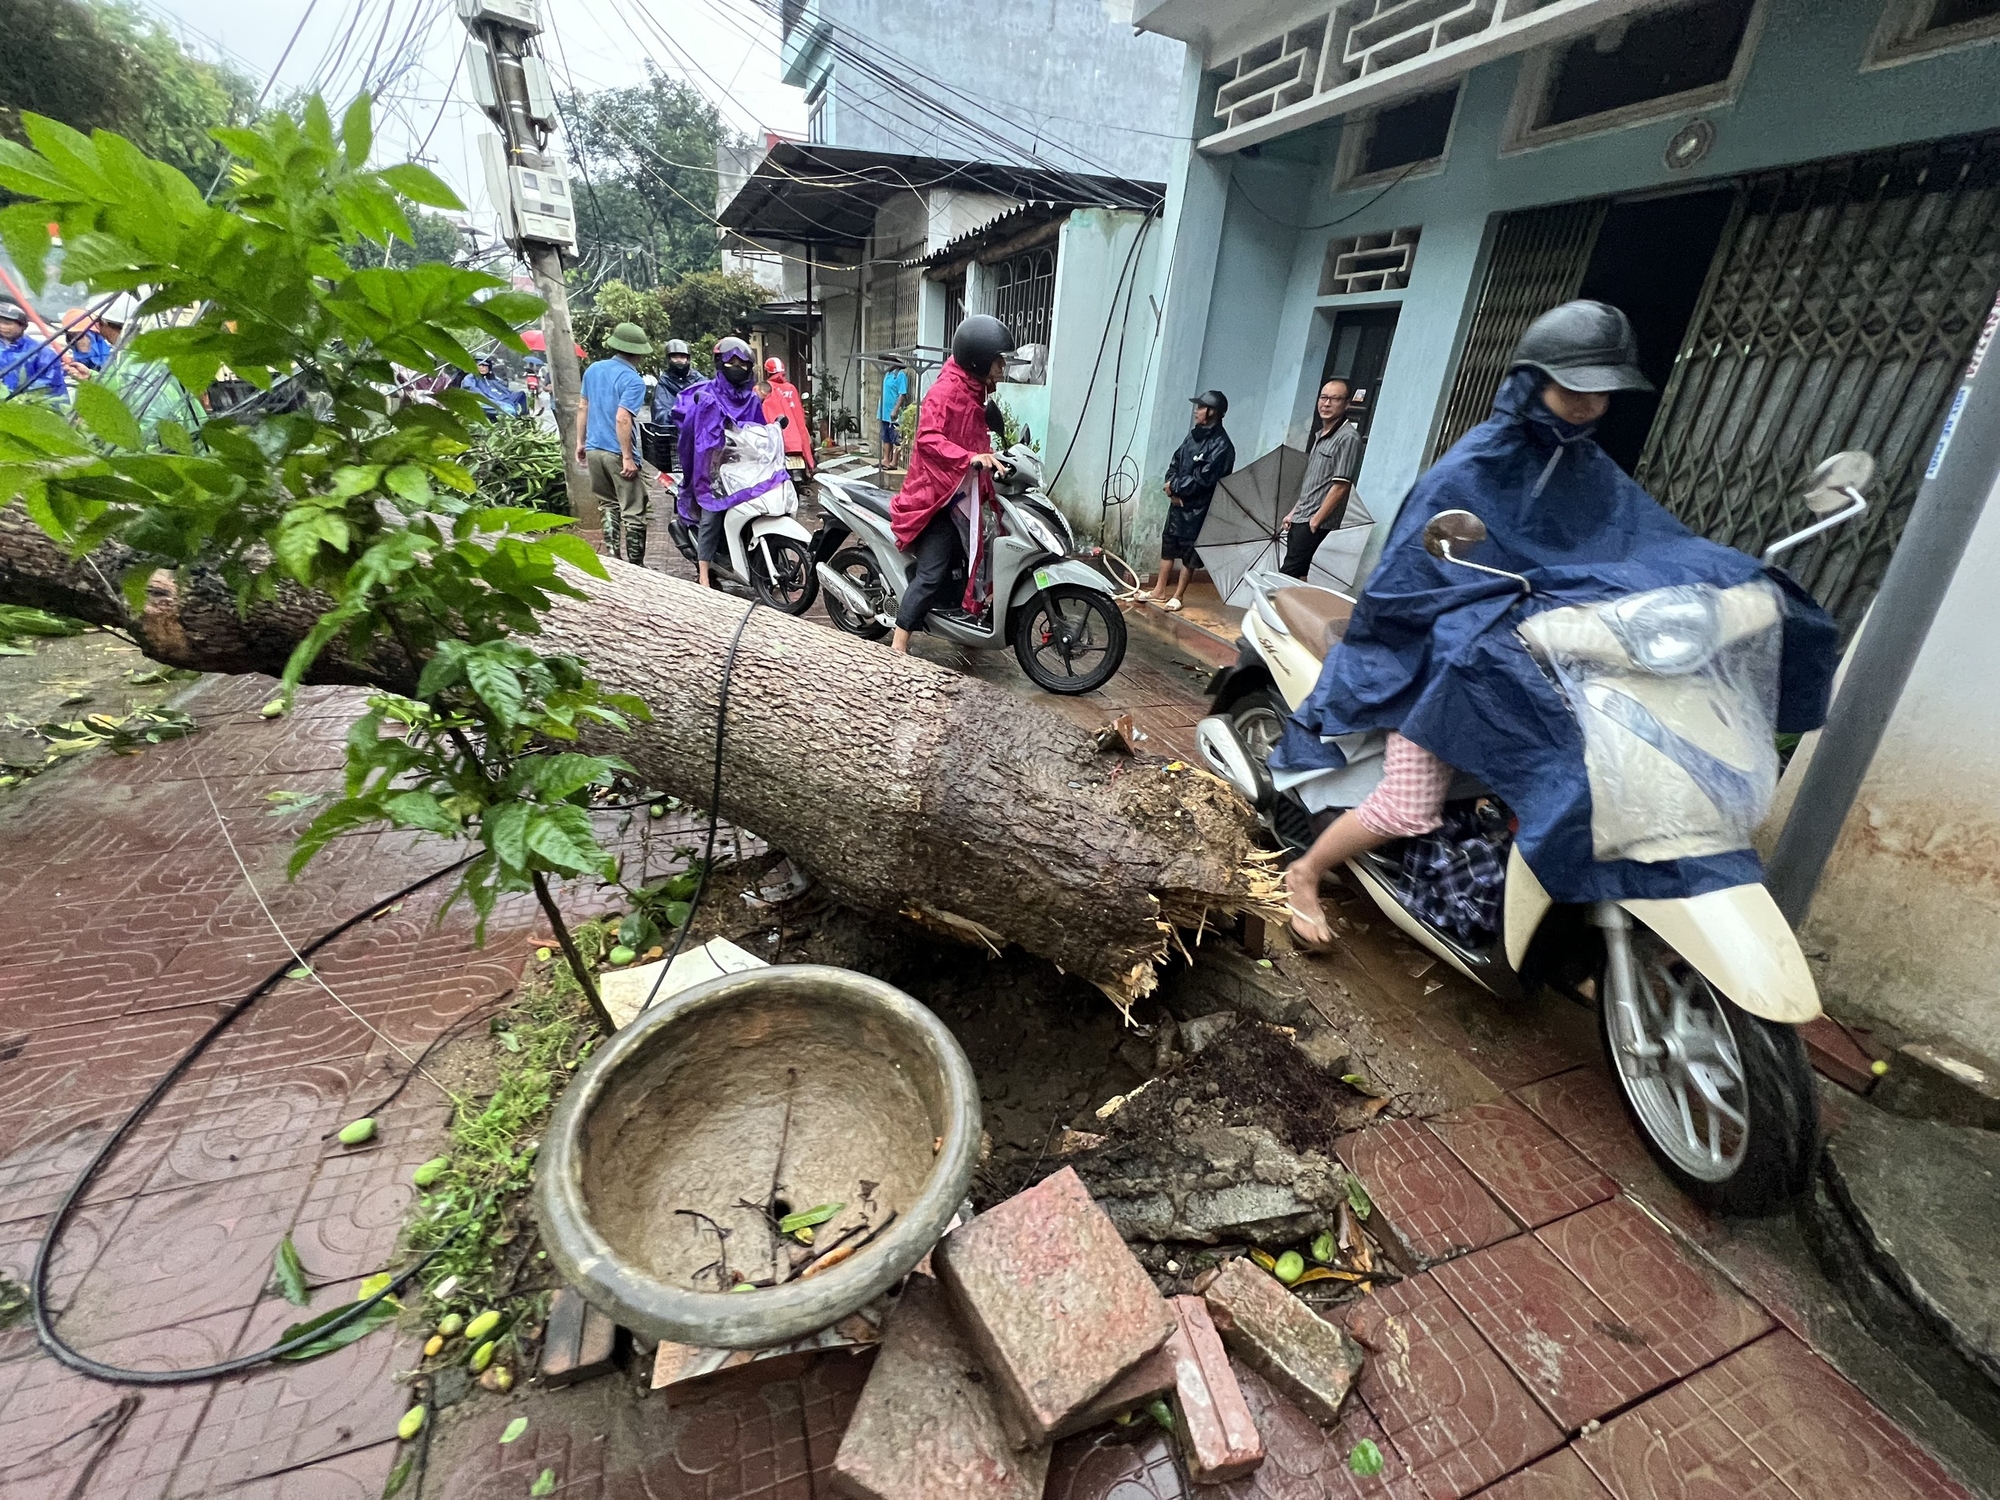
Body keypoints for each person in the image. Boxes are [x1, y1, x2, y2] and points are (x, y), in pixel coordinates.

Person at [1276, 300, 1670, 950]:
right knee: (1409, 807)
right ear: (1534, 379)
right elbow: (1412, 570)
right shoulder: (1479, 462)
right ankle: (1307, 871)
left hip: (1528, 662)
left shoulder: (1587, 469)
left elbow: (1631, 543)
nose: (1588, 404)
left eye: (1601, 391)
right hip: (1436, 664)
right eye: (1574, 387)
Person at [887, 315, 1014, 656]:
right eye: (998, 360)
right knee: (933, 571)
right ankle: (898, 645)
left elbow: (977, 438)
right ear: (978, 359)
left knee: (976, 551)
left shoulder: (974, 392)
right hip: (936, 497)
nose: (1003, 367)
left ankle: (964, 621)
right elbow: (929, 439)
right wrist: (969, 458)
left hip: (961, 492)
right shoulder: (945, 392)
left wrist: (996, 456)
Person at [673, 336, 770, 589]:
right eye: (731, 361)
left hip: (741, 466)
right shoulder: (706, 396)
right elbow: (695, 435)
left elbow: (758, 431)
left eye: (742, 362)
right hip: (711, 468)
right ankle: (703, 573)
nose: (737, 366)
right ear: (719, 362)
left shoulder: (751, 399)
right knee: (711, 515)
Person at [1150, 390, 1235, 610]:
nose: (1196, 411)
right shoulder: (1193, 436)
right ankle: (1159, 589)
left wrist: (1177, 488)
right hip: (1177, 503)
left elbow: (1204, 478)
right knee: (1169, 544)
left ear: (1212, 412)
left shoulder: (1222, 446)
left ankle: (1178, 595)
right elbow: (1176, 461)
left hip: (1199, 509)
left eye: (1200, 407)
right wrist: (1171, 487)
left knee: (1190, 553)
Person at [577, 321, 653, 564]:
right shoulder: (633, 380)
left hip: (593, 450)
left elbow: (583, 407)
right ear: (639, 352)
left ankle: (612, 558)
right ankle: (635, 566)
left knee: (608, 505)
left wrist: (581, 443)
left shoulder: (593, 370)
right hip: (616, 453)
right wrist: (628, 457)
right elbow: (622, 418)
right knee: (633, 511)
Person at [1281, 379, 1363, 578]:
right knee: (1298, 574)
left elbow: (1341, 486)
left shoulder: (1347, 438)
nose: (1326, 404)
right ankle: (1295, 609)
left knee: (1285, 575)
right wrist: (1294, 512)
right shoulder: (1321, 435)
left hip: (1313, 520)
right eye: (1324, 397)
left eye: (1335, 399)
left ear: (1346, 404)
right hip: (1302, 516)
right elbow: (1314, 482)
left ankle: (1267, 609)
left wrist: (1315, 521)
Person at [649, 338, 700, 474]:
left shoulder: (700, 382)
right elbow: (660, 413)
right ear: (668, 359)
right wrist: (680, 414)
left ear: (688, 359)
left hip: (698, 441)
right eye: (675, 357)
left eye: (682, 357)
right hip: (673, 443)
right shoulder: (663, 385)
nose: (679, 360)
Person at [0, 300, 67, 399]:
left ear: (22, 326)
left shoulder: (42, 352)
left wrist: (19, 397)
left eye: (7, 323)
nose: (2, 327)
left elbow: (49, 383)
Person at [762, 356, 816, 476]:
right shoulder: (791, 388)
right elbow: (800, 414)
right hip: (797, 439)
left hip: (778, 440)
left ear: (767, 372)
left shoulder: (765, 388)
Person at [878, 354, 911, 471]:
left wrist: (895, 410)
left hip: (894, 413)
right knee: (886, 436)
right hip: (884, 412)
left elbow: (902, 395)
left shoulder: (900, 376)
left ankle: (894, 461)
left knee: (895, 437)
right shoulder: (887, 375)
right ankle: (886, 459)